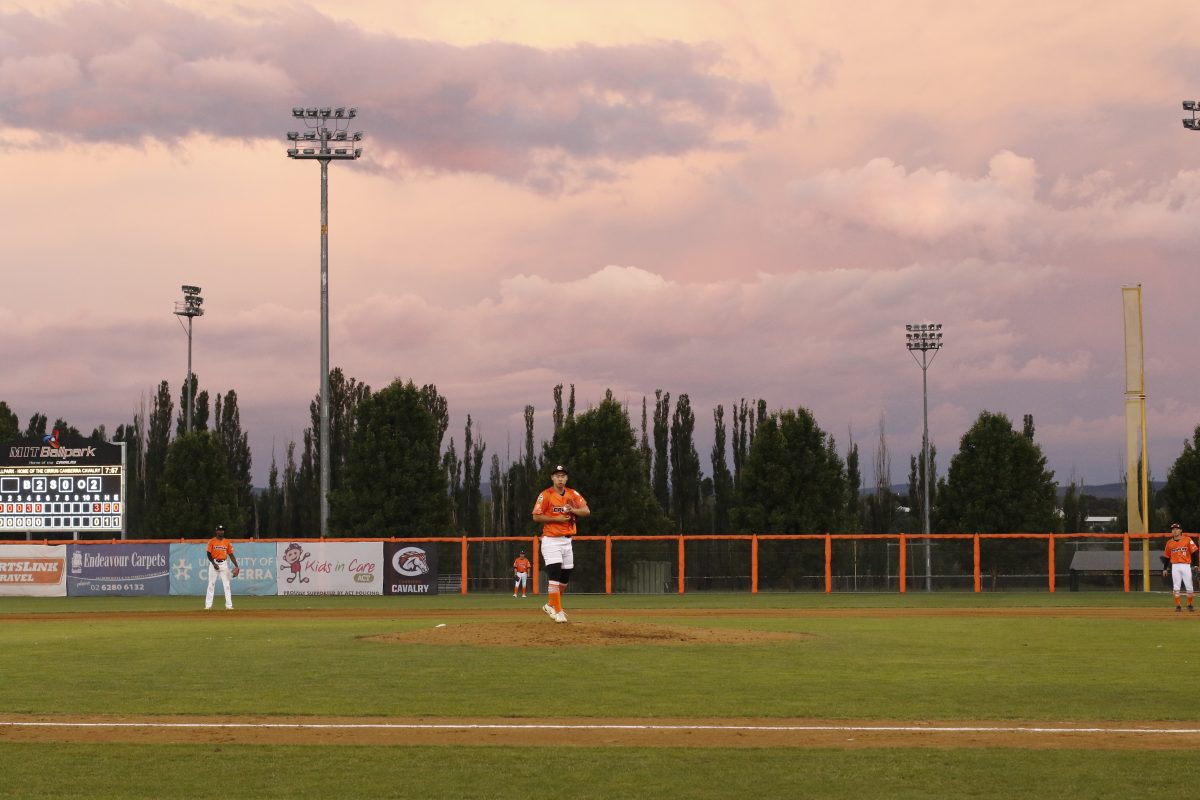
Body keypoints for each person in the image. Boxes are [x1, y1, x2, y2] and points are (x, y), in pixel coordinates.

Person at [532, 464, 590, 623]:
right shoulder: (546, 495)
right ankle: (557, 611)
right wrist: (555, 519)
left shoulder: (572, 494)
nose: (560, 478)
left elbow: (586, 511)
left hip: (567, 541)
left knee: (565, 577)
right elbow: (536, 516)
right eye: (557, 475)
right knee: (555, 576)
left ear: (566, 478)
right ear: (552, 478)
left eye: (563, 476)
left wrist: (573, 510)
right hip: (551, 540)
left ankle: (551, 605)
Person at [1162, 522, 1198, 613]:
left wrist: (1196, 564)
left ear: (1181, 530)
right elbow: (1167, 557)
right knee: (1176, 587)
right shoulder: (1169, 543)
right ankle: (1178, 606)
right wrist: (1165, 568)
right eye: (1173, 529)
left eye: (1177, 529)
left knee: (1189, 587)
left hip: (1186, 565)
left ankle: (1189, 605)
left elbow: (1194, 553)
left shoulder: (1187, 539)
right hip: (1175, 566)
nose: (1175, 530)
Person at [205, 524, 240, 610]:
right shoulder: (211, 541)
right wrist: (213, 563)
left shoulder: (227, 542)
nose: (221, 531)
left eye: (222, 530)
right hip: (214, 563)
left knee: (227, 585)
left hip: (224, 564)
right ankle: (208, 606)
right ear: (216, 531)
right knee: (211, 584)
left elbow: (231, 554)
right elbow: (208, 554)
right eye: (220, 530)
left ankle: (229, 606)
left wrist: (236, 566)